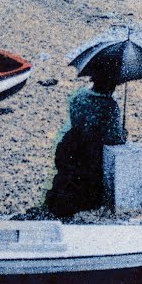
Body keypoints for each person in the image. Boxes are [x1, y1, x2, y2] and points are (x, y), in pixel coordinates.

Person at [44, 72, 127, 218]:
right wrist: (123, 134)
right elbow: (114, 138)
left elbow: (76, 121)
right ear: (111, 86)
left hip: (70, 147)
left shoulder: (78, 97)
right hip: (92, 156)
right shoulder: (110, 106)